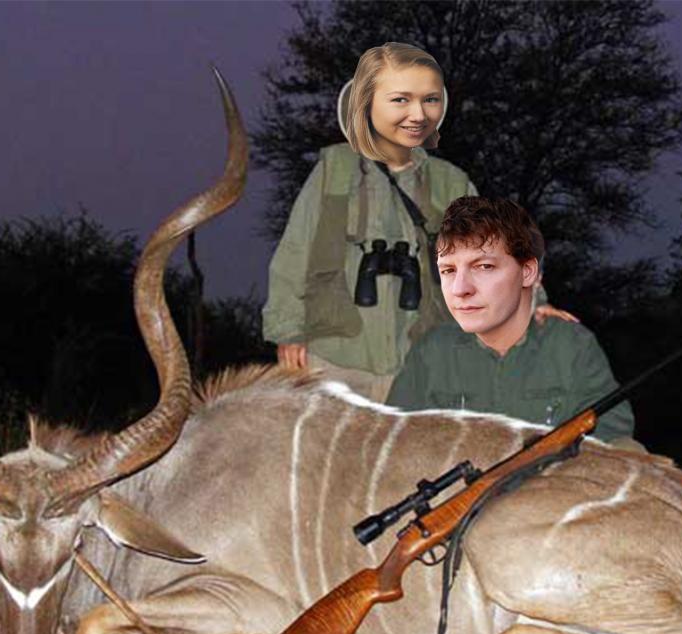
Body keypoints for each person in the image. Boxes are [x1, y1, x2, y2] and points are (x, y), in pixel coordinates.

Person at [260, 42, 477, 402]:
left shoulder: (451, 183)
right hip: (334, 361)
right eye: (399, 100)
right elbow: (294, 254)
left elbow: (491, 257)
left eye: (427, 101)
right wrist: (287, 331)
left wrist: (535, 303)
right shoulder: (333, 171)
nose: (415, 114)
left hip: (421, 363)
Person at [386, 196, 638, 447]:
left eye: (484, 267)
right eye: (451, 271)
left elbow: (613, 435)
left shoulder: (571, 345)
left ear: (529, 274)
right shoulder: (433, 351)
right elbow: (394, 440)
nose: (461, 288)